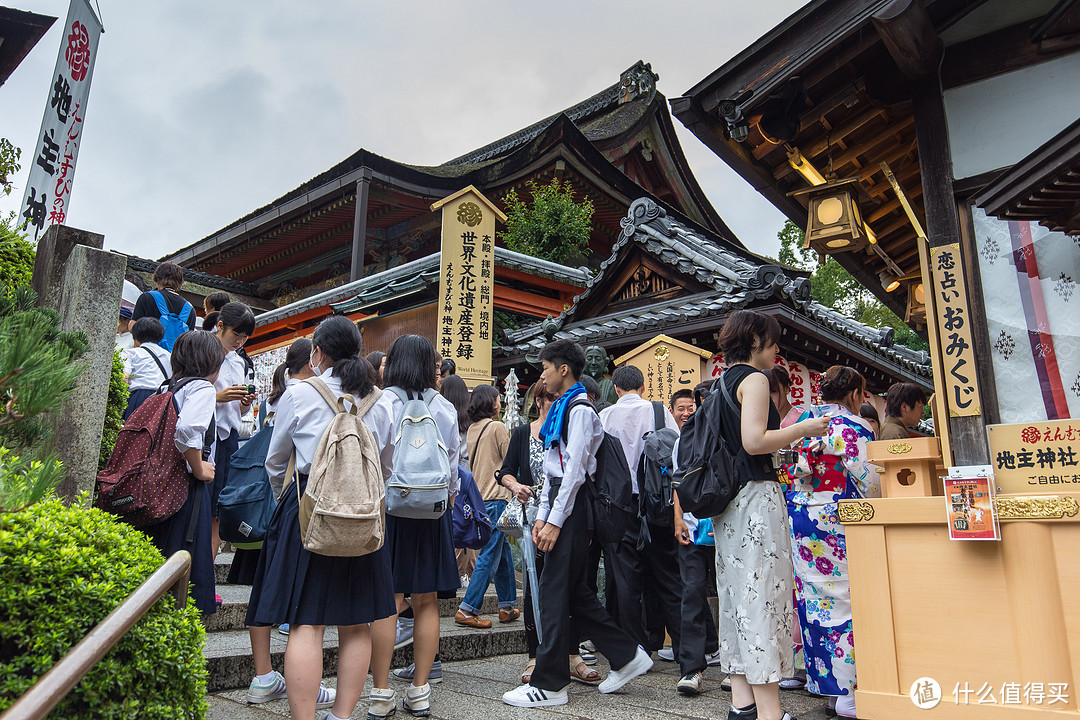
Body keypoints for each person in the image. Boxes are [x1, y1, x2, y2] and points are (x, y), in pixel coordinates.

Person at [246, 316, 394, 719]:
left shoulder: (299, 394)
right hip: (363, 517)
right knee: (357, 622)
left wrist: (289, 495)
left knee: (306, 623)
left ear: (318, 354)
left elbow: (275, 461)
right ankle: (343, 716)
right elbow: (386, 467)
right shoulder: (382, 402)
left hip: (308, 510)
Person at [502, 340, 652, 708]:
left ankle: (550, 685)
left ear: (563, 369)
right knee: (574, 593)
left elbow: (573, 474)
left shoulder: (580, 409)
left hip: (572, 508)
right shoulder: (566, 408)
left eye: (546, 369)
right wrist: (542, 517)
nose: (543, 376)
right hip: (561, 506)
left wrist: (552, 521)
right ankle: (627, 655)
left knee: (553, 594)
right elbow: (556, 472)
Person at [710, 310, 829, 720]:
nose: (778, 349)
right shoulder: (755, 380)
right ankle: (770, 712)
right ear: (757, 339)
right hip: (756, 498)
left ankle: (741, 705)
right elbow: (756, 441)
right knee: (764, 598)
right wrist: (804, 429)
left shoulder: (720, 384)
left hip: (727, 505)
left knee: (737, 598)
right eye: (774, 341)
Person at [369, 334, 461, 717]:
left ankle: (380, 692)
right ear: (429, 367)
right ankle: (420, 690)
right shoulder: (443, 407)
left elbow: (371, 457)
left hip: (389, 511)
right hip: (431, 513)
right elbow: (454, 464)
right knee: (425, 602)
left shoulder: (381, 402)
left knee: (387, 602)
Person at [786, 366, 880, 719]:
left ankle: (827, 688)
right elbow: (871, 482)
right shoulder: (855, 428)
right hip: (837, 517)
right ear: (856, 394)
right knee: (846, 599)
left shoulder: (804, 424)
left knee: (815, 602)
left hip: (802, 516)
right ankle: (849, 694)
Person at [497, 382, 597, 685]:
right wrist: (515, 486)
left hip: (570, 517)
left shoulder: (570, 429)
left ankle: (571, 654)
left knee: (575, 584)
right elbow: (505, 471)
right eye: (548, 398)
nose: (553, 402)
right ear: (537, 401)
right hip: (535, 520)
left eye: (557, 397)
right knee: (534, 586)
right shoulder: (522, 433)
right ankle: (534, 656)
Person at [598, 365, 683, 660]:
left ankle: (637, 650)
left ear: (616, 389)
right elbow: (677, 456)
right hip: (658, 503)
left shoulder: (604, 416)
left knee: (625, 581)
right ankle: (685, 651)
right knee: (668, 576)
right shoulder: (659, 412)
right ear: (643, 387)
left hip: (619, 505)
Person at [141, 330, 224, 617]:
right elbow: (188, 429)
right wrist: (200, 467)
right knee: (186, 560)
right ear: (212, 363)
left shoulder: (168, 387)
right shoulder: (201, 388)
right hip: (186, 490)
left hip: (161, 487)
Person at [668, 391, 722, 696]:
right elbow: (678, 481)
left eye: (697, 406)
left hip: (723, 527)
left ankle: (733, 664)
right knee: (690, 592)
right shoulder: (683, 439)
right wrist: (677, 518)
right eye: (687, 407)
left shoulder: (729, 433)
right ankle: (691, 668)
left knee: (730, 594)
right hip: (691, 526)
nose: (692, 412)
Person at [457, 385, 519, 628]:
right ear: (490, 402)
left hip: (480, 500)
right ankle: (467, 608)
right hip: (497, 498)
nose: (500, 403)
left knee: (501, 553)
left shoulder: (472, 428)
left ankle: (506, 606)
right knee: (489, 556)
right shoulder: (497, 427)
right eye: (498, 399)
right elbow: (510, 460)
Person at [210, 303, 257, 572]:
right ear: (220, 327)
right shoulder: (204, 351)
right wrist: (217, 397)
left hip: (227, 437)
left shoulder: (239, 361)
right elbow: (185, 392)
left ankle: (206, 571)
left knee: (218, 509)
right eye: (236, 335)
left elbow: (238, 410)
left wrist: (245, 401)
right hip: (205, 436)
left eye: (244, 337)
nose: (239, 341)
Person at [439, 374, 476, 587]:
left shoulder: (442, 415)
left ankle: (451, 570)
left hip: (448, 480)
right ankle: (466, 573)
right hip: (468, 481)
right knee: (466, 525)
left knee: (450, 525)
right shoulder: (472, 423)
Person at [131, 262, 197, 348]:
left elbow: (133, 327)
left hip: (149, 356)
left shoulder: (147, 297)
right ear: (180, 282)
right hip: (175, 359)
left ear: (157, 278)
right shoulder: (190, 309)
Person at [121, 317, 172, 419]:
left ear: (135, 337)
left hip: (138, 398)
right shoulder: (169, 356)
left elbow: (123, 378)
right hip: (162, 399)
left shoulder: (130, 353)